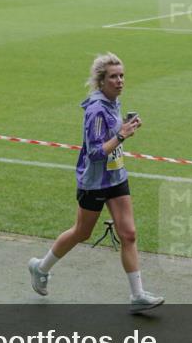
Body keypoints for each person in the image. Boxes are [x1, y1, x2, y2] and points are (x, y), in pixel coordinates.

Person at [29, 53, 164, 313]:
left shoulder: (113, 102)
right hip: (94, 182)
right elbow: (94, 153)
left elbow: (111, 139)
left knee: (129, 234)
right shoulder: (96, 110)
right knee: (82, 232)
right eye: (113, 77)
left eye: (122, 75)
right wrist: (122, 135)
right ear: (101, 81)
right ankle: (40, 267)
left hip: (116, 176)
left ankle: (137, 295)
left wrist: (126, 127)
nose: (120, 81)